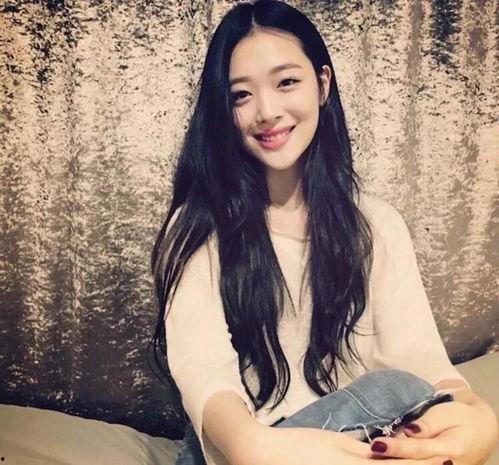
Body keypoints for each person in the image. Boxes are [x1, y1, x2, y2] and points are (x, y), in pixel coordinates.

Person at [150, 2, 498, 465]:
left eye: (286, 82)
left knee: (412, 394)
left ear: (323, 84)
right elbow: (205, 373)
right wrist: (255, 448)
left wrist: (477, 417)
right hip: (239, 449)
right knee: (396, 390)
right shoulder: (197, 226)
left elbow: (420, 359)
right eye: (240, 95)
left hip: (349, 444)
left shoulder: (375, 225)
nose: (266, 112)